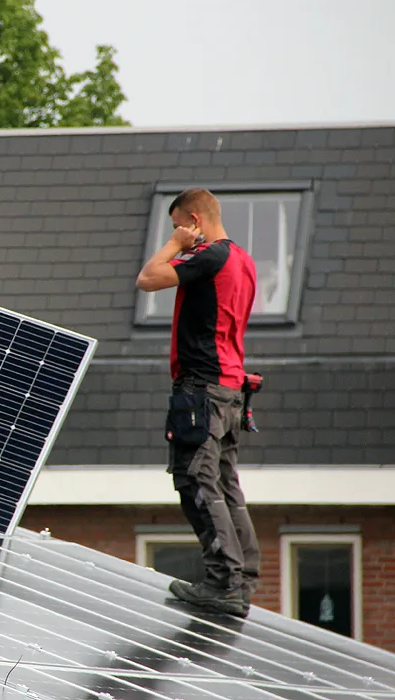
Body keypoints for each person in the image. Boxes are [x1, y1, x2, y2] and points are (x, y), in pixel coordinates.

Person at [136, 187, 261, 617]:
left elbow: (148, 279)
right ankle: (242, 580)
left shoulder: (209, 255)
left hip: (201, 388)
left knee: (196, 480)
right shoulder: (245, 260)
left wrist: (174, 245)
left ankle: (222, 582)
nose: (176, 235)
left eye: (177, 226)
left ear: (194, 220)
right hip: (230, 388)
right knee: (225, 486)